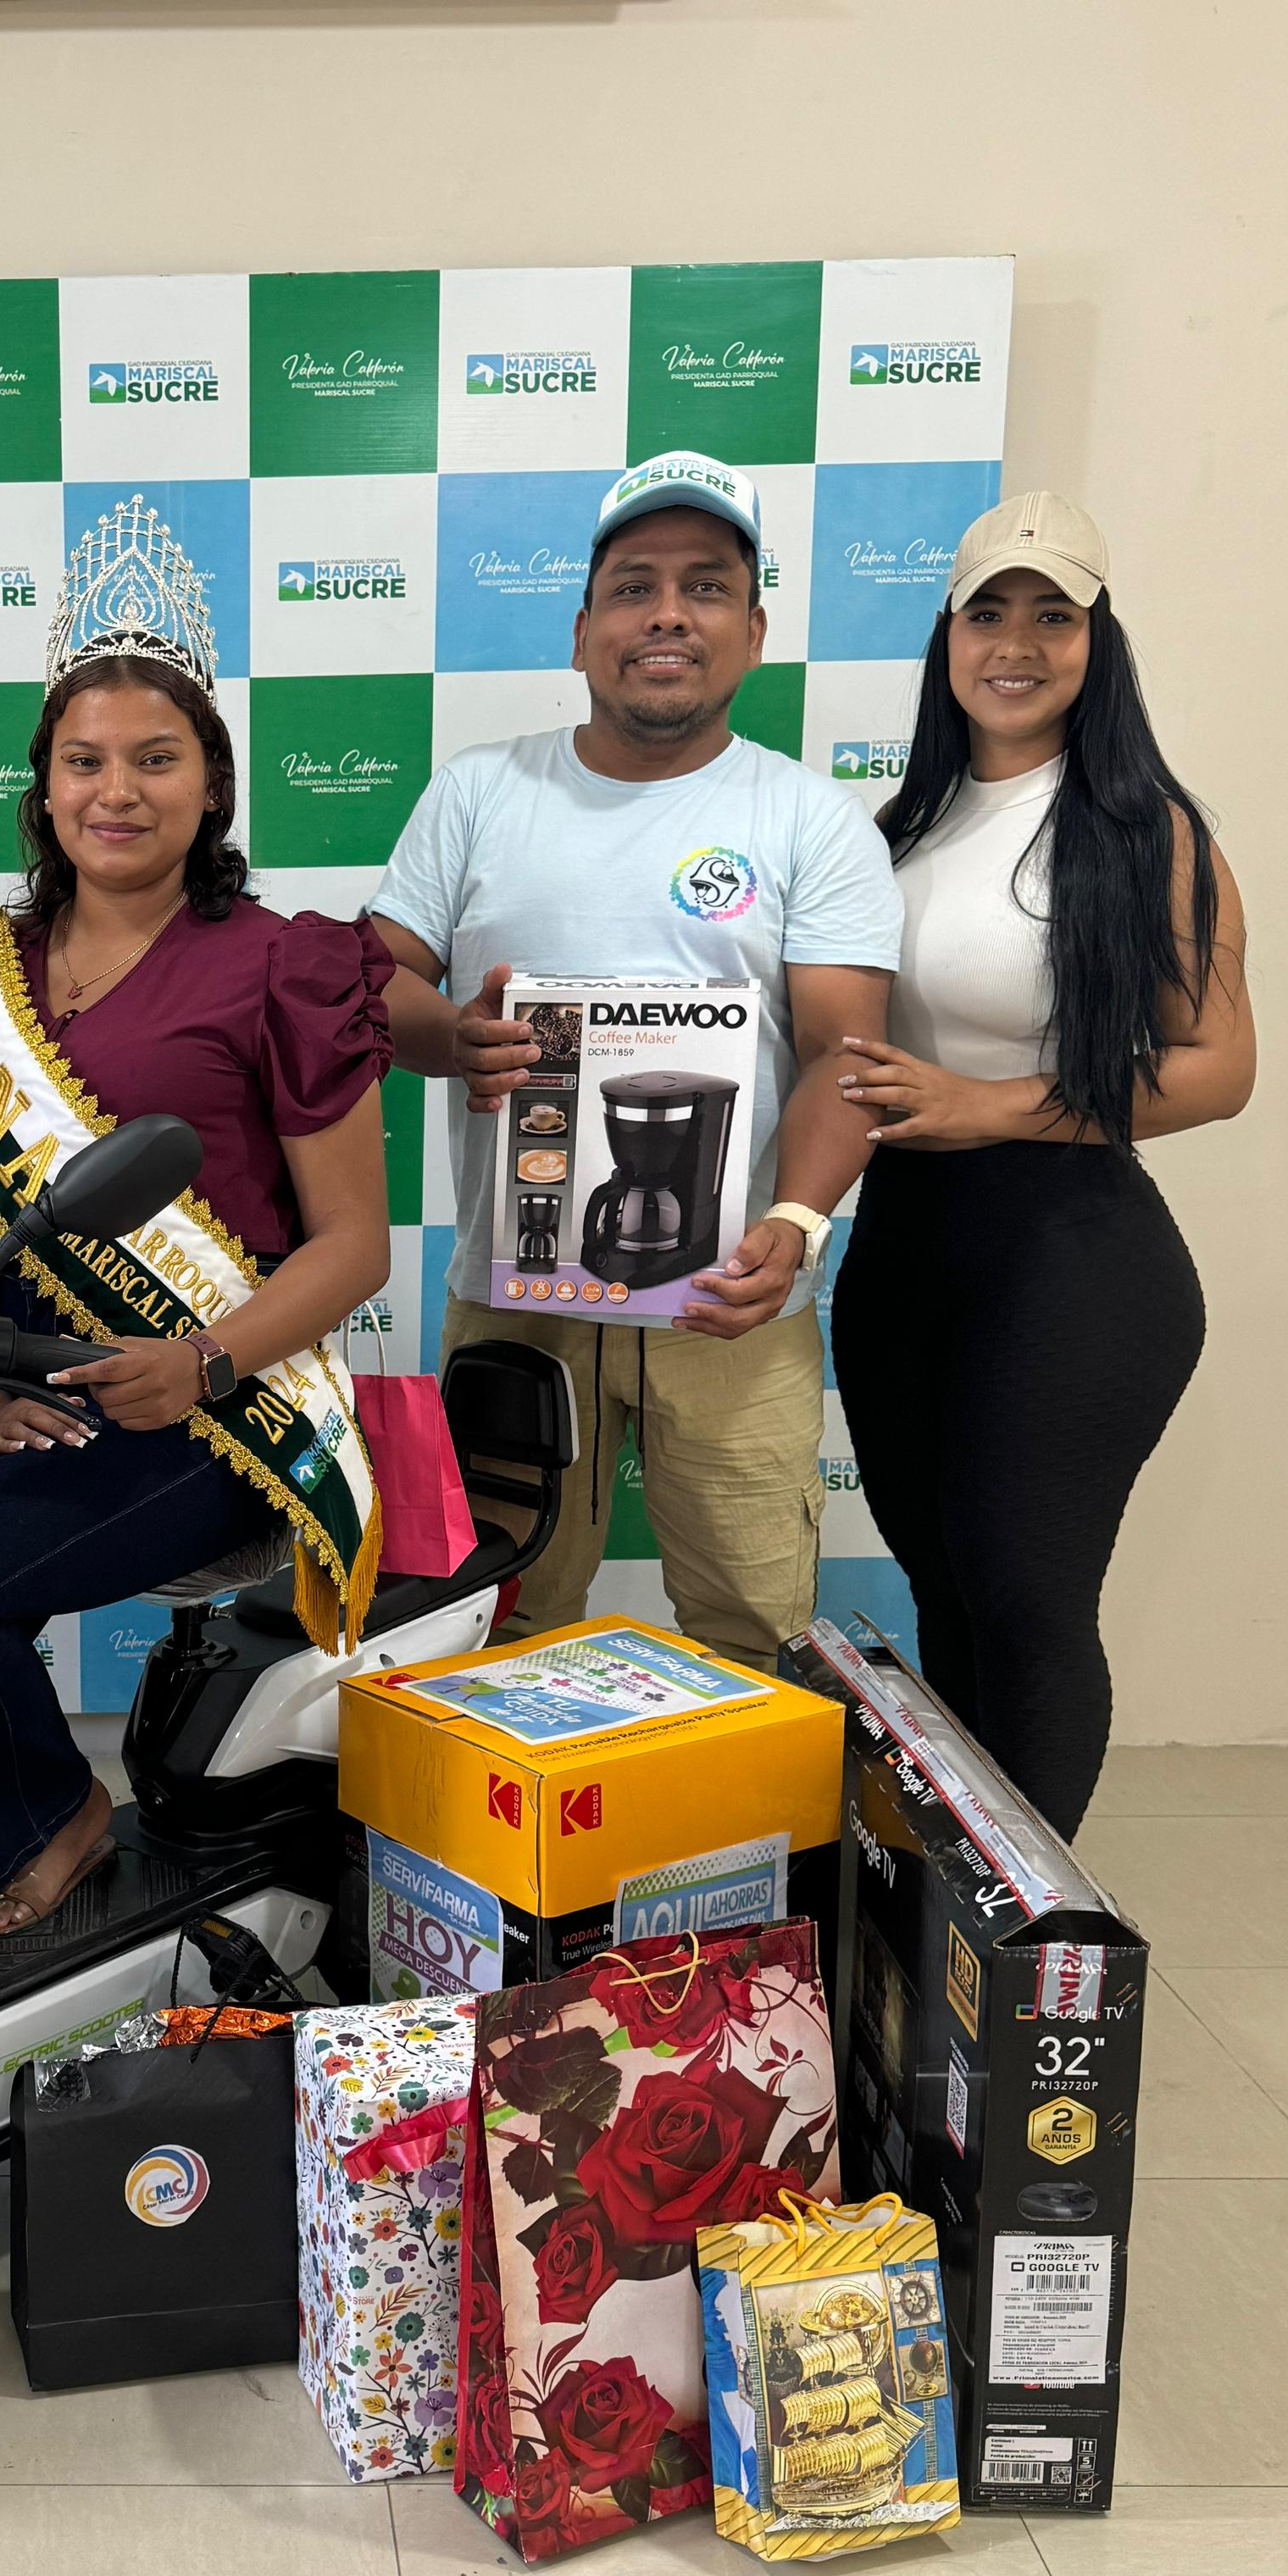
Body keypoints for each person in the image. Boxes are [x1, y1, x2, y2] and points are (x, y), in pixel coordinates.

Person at [0, 496, 391, 1939]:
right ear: (42, 790)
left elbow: (354, 1244)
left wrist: (201, 1363)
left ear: (213, 784)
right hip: (29, 1398)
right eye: (84, 761)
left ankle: (59, 1819)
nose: (119, 791)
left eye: (158, 759)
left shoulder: (287, 965)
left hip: (215, 1413)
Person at [369, 451, 902, 1666]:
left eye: (706, 587)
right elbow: (370, 986)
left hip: (734, 1298)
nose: (668, 615)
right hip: (516, 1291)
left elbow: (844, 1052)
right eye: (634, 587)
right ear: (582, 632)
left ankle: (738, 1807)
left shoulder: (810, 819)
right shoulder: (479, 793)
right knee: (488, 1619)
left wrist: (798, 1224)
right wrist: (453, 1038)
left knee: (753, 1629)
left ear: (753, 633)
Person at [829, 493, 1252, 1835]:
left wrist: (993, 1105)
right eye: (990, 613)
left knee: (1027, 1599)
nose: (1016, 645)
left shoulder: (1143, 829)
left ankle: (1034, 1928)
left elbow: (1219, 1068)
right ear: (948, 636)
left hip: (1074, 1262)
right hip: (904, 1254)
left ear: (1095, 641)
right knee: (946, 1592)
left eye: (1053, 616)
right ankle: (969, 1899)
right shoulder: (897, 827)